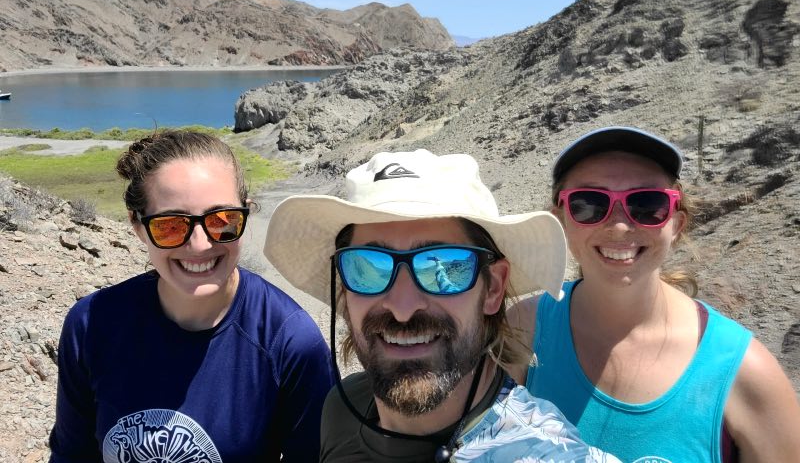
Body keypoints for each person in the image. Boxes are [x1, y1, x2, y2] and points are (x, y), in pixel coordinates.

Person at [264, 149, 621, 462]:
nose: (403, 308)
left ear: (493, 288)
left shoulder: (540, 451)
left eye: (443, 267)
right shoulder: (345, 408)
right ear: (344, 287)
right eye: (367, 267)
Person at [509, 126, 800, 462]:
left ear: (676, 225)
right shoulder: (522, 331)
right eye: (588, 204)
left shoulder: (747, 374)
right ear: (560, 220)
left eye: (647, 205)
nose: (619, 226)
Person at [49, 130, 334, 462]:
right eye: (171, 225)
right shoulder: (91, 325)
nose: (200, 245)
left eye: (221, 220)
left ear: (245, 212)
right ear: (138, 226)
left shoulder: (290, 342)